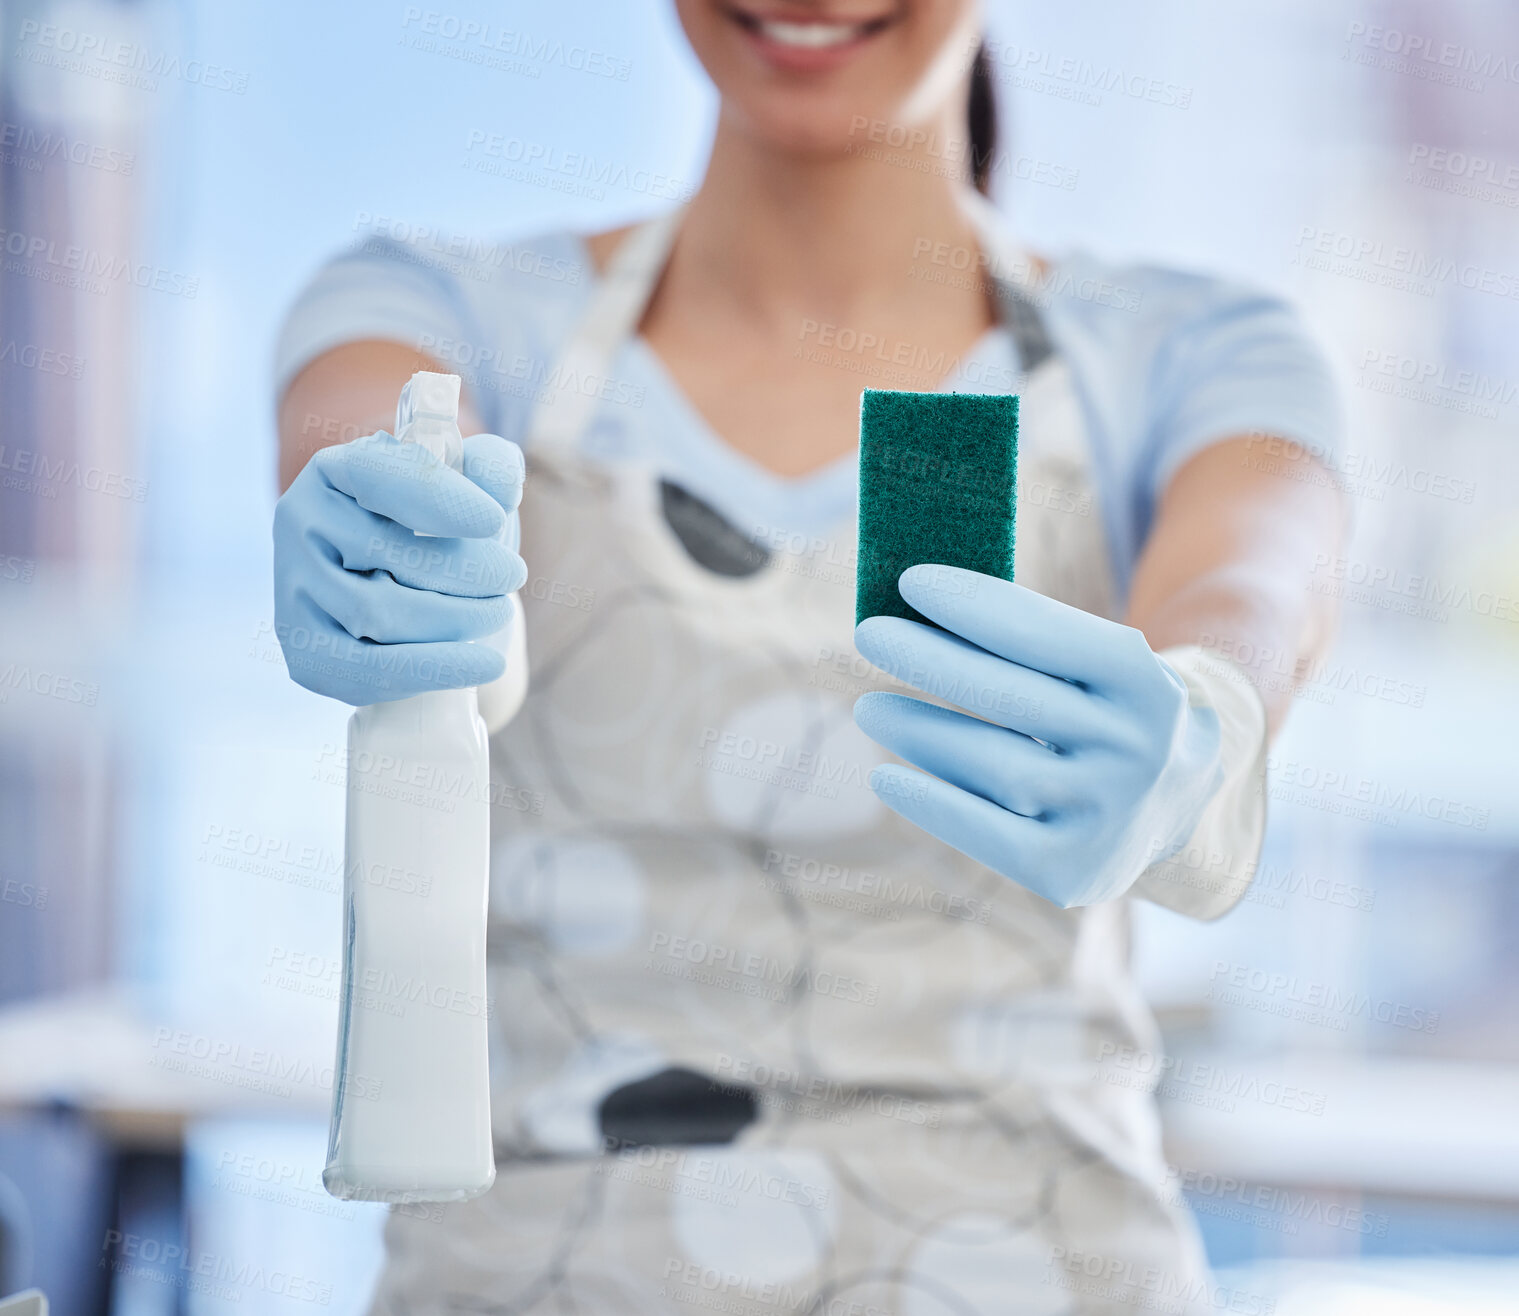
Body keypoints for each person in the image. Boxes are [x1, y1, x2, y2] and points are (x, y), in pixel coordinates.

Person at [272, 2, 1346, 1310]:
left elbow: (1252, 580)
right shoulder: (440, 307)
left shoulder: (1197, 351)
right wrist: (388, 554)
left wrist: (1207, 728)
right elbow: (362, 426)